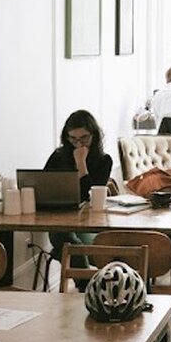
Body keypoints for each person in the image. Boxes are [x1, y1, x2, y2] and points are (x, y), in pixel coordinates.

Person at [43, 109, 113, 265]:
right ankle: (86, 286)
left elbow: (91, 196)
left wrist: (81, 163)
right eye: (73, 139)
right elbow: (44, 183)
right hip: (59, 219)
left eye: (84, 138)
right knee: (65, 239)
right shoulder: (58, 156)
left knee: (81, 247)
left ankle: (86, 284)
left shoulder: (104, 161)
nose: (79, 144)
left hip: (88, 222)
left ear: (93, 136)